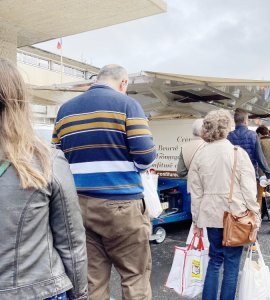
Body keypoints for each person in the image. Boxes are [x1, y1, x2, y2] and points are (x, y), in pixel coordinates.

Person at [52, 64, 156, 299]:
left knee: (92, 281)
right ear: (123, 83)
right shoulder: (128, 105)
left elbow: (57, 157)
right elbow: (145, 155)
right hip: (121, 205)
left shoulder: (65, 111)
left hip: (78, 204)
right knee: (134, 277)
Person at [0, 58, 87, 300]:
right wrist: (80, 296)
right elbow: (71, 243)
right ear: (17, 101)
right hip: (39, 289)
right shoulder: (45, 160)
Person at [190, 110, 261, 300]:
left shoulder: (200, 155)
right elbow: (248, 189)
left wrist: (196, 221)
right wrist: (255, 214)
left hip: (210, 215)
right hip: (235, 214)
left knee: (214, 260)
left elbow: (195, 193)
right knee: (231, 264)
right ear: (227, 127)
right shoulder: (238, 153)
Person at [227, 109, 270, 181]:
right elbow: (259, 157)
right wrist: (268, 173)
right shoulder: (253, 135)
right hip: (250, 174)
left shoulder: (229, 136)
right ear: (245, 121)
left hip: (234, 175)